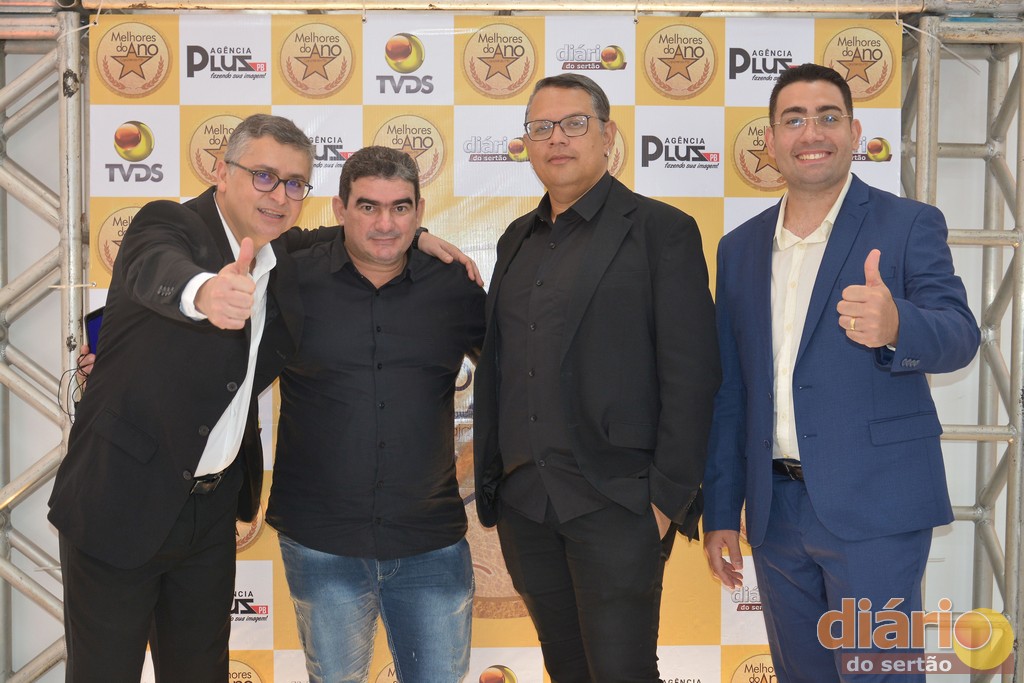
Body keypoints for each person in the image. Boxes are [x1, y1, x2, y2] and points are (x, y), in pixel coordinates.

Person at [702, 63, 980, 683]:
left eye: (828, 117)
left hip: (875, 507)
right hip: (774, 514)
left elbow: (961, 335)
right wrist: (721, 509)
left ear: (855, 133)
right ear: (771, 140)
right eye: (793, 120)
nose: (812, 133)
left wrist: (898, 325)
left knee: (879, 673)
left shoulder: (908, 223)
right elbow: (731, 390)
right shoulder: (738, 247)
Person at [473, 73, 721, 682]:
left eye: (574, 124)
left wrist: (664, 501)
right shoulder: (514, 240)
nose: (556, 138)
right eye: (541, 127)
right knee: (566, 670)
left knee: (622, 673)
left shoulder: (661, 230)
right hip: (527, 504)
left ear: (608, 136)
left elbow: (693, 372)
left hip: (619, 504)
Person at [48, 113, 312, 682]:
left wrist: (419, 237)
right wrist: (206, 291)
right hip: (120, 499)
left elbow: (344, 238)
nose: (279, 195)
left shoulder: (282, 254)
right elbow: (155, 266)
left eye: (295, 183)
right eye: (264, 176)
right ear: (222, 172)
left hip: (209, 513)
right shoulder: (167, 223)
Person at [266, 146, 485, 683]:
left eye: (400, 208)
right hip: (321, 541)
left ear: (419, 210)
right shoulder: (291, 277)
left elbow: (520, 378)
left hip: (430, 541)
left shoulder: (453, 285)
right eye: (368, 207)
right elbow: (238, 241)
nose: (385, 224)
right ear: (339, 209)